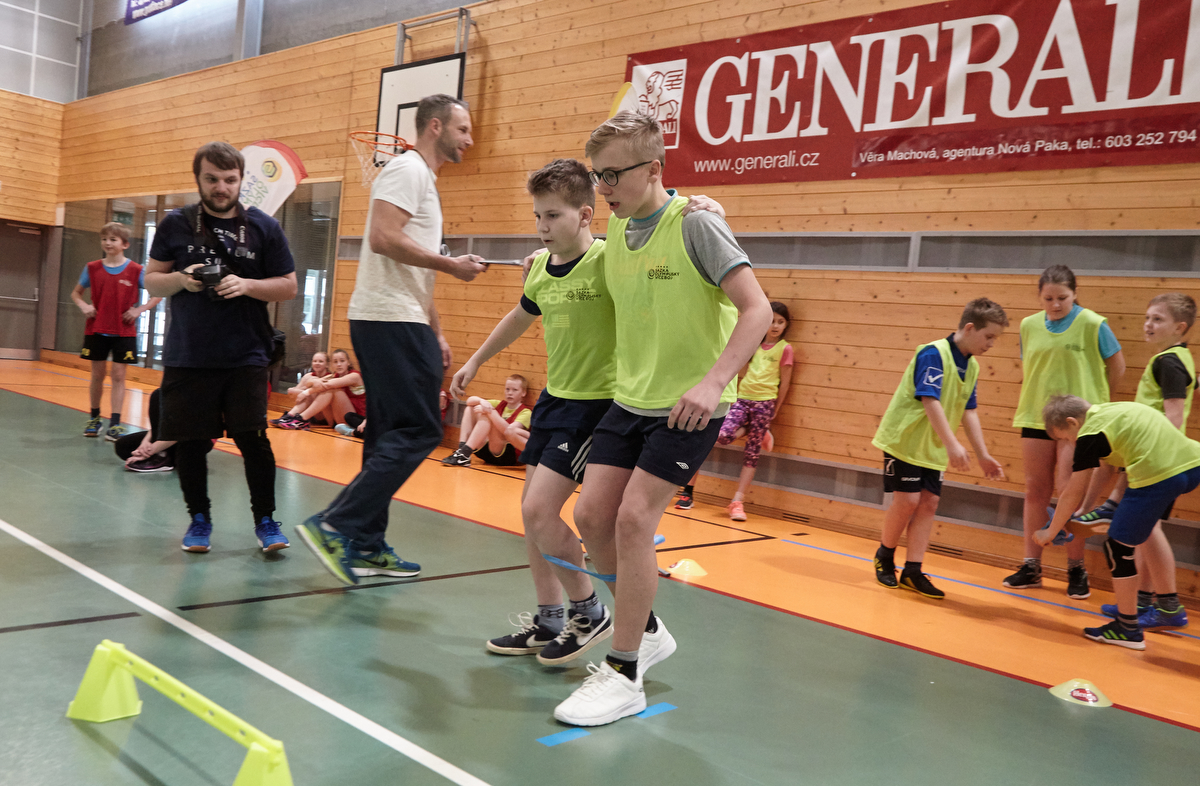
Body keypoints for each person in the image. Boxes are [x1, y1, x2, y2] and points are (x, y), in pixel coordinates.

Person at [553, 112, 772, 727]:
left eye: (613, 175)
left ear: (654, 169)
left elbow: (757, 310)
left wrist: (713, 382)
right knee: (591, 516)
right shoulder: (617, 230)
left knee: (633, 520)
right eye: (597, 175)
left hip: (688, 406)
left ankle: (625, 673)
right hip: (630, 399)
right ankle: (645, 629)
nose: (604, 188)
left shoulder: (697, 222)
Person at [295, 94, 486, 583]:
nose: (470, 139)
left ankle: (365, 543)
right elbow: (382, 237)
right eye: (463, 129)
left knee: (385, 434)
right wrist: (451, 265)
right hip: (389, 320)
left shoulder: (423, 180)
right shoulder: (407, 170)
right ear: (436, 126)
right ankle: (336, 524)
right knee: (421, 429)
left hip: (399, 319)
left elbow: (411, 270)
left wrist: (436, 331)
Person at [145, 141, 298, 554]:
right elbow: (151, 279)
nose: (221, 187)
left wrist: (246, 285)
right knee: (192, 442)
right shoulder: (175, 224)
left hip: (246, 353)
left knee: (254, 439)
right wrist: (182, 279)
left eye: (230, 179)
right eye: (212, 179)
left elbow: (288, 286)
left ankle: (266, 520)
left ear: (241, 180)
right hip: (189, 354)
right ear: (198, 178)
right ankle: (199, 519)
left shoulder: (264, 227)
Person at [871, 299, 1009, 599]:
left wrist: (983, 454)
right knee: (907, 501)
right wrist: (953, 444)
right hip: (905, 440)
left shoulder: (972, 366)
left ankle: (913, 571)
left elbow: (969, 411)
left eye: (995, 339)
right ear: (969, 328)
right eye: (988, 336)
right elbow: (929, 400)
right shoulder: (934, 353)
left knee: (929, 503)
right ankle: (884, 556)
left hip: (931, 447)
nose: (991, 344)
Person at [1038, 396, 1200, 650]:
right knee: (1146, 531)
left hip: (1158, 476)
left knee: (1117, 547)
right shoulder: (1112, 412)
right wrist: (1086, 510)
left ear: (1072, 422)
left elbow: (1072, 491)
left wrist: (1051, 531)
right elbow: (1105, 468)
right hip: (1190, 465)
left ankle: (1127, 629)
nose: (1070, 442)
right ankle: (1166, 607)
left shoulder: (1089, 433)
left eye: (1066, 437)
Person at [1004, 265, 1125, 598]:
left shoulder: (1093, 324)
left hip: (1079, 422)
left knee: (1071, 490)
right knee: (1035, 490)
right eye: (1048, 299)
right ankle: (1031, 565)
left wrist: (1098, 406)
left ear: (1075, 294)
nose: (1055, 304)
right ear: (1040, 297)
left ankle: (1076, 567)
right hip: (1036, 416)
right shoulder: (1028, 326)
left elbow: (1117, 365)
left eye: (1062, 298)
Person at [1082, 293, 1195, 631]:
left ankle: (1169, 607)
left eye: (1158, 319)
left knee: (1148, 530)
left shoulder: (1168, 362)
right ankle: (1144, 601)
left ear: (1180, 327)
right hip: (1162, 461)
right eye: (1147, 317)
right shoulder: (1177, 358)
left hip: (1159, 463)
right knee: (1144, 531)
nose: (1148, 324)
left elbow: (1173, 417)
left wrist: (1150, 452)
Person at [71, 222, 161, 441]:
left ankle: (115, 424)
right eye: (104, 239)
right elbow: (76, 293)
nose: (107, 243)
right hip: (96, 329)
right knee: (97, 375)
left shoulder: (136, 270)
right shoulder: (92, 268)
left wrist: (139, 310)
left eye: (113, 239)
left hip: (123, 331)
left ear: (125, 244)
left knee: (119, 376)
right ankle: (94, 419)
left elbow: (157, 294)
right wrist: (84, 306)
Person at [715, 301, 794, 521]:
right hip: (743, 399)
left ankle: (737, 501)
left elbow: (785, 383)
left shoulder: (785, 349)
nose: (775, 326)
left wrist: (775, 409)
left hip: (764, 403)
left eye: (780, 322)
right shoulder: (755, 345)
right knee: (722, 435)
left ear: (786, 325)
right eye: (772, 321)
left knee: (751, 454)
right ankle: (757, 430)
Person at [441, 374, 532, 467]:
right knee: (470, 408)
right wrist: (481, 401)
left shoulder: (525, 412)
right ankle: (462, 451)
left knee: (487, 414)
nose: (510, 393)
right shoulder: (500, 404)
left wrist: (490, 411)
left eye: (514, 390)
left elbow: (509, 432)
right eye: (507, 389)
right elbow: (469, 401)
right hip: (487, 450)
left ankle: (464, 453)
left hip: (507, 455)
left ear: (523, 393)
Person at [275, 349, 365, 430]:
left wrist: (306, 392)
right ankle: (291, 416)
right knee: (318, 389)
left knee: (331, 390)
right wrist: (314, 382)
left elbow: (328, 385)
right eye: (335, 362)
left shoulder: (354, 376)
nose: (339, 364)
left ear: (348, 362)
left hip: (355, 420)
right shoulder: (333, 376)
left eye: (342, 361)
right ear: (332, 364)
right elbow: (309, 384)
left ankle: (301, 419)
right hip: (336, 419)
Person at [112, 388, 177, 473]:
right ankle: (165, 455)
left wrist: (150, 451)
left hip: (186, 437)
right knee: (123, 446)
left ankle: (162, 457)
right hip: (170, 436)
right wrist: (145, 442)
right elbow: (160, 424)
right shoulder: (170, 390)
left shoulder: (191, 391)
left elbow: (182, 430)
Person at [271, 350, 331, 426]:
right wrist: (301, 391)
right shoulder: (308, 376)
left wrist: (303, 391)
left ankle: (290, 416)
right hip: (307, 413)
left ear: (327, 365)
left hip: (324, 415)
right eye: (315, 361)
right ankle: (290, 416)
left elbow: (312, 391)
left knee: (310, 394)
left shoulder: (329, 377)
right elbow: (293, 396)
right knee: (303, 393)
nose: (317, 363)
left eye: (321, 361)